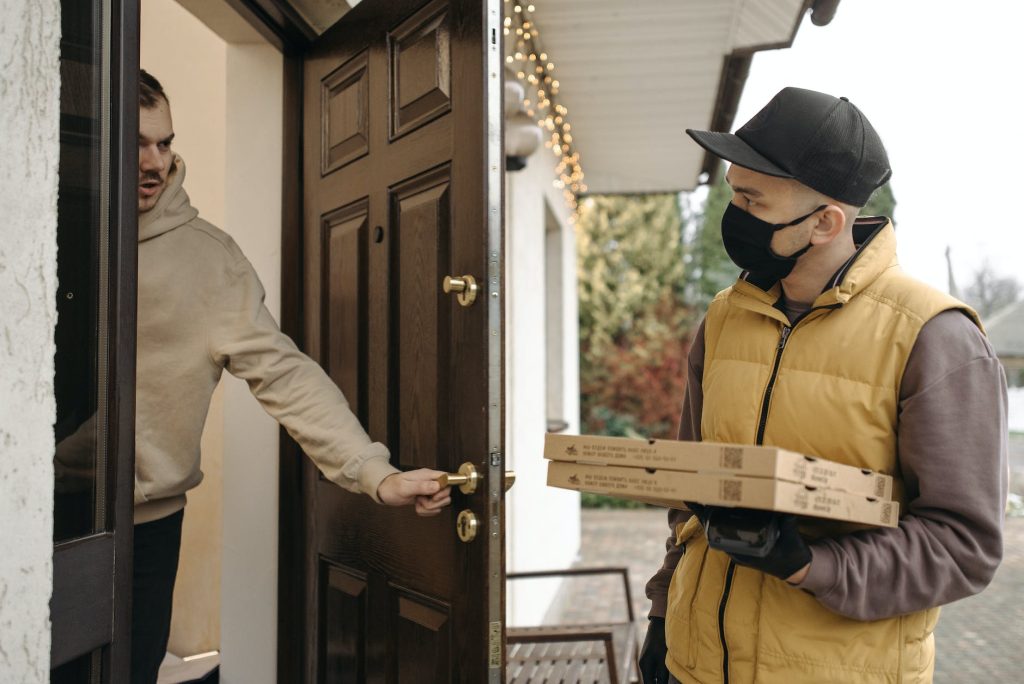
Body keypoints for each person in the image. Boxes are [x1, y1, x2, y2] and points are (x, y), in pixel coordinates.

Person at [639, 87, 1008, 683]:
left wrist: (810, 565)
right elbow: (690, 496)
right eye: (732, 192)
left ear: (825, 222)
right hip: (694, 665)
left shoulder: (934, 337)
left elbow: (963, 544)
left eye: (751, 199)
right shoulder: (724, 318)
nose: (734, 213)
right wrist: (663, 616)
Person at [127, 69, 451, 683]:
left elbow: (286, 375)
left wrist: (374, 473)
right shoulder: (40, 233)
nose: (156, 163)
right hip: (33, 512)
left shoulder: (208, 258)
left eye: (165, 144)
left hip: (145, 530)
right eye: (136, 143)